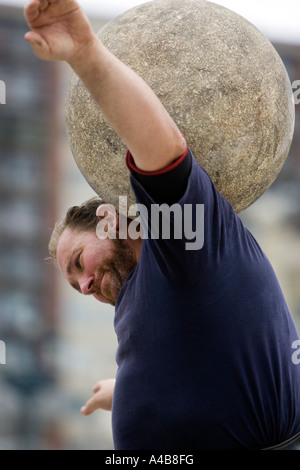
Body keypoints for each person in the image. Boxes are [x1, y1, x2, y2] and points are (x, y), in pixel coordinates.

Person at [24, 0, 300, 450]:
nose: (86, 285)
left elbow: (161, 147)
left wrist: (85, 54)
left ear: (112, 218)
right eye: (76, 286)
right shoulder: (159, 289)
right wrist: (128, 391)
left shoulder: (181, 241)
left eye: (79, 263)